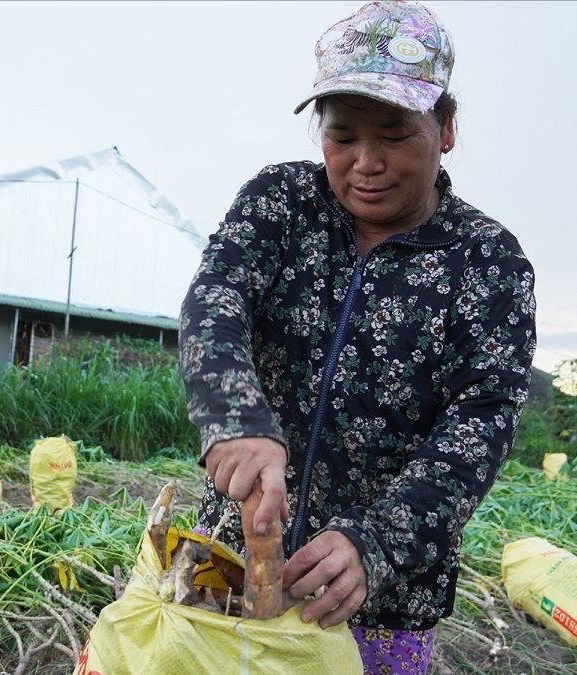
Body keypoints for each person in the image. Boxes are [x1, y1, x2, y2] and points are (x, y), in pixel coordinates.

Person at [179, 1, 536, 672]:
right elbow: (216, 299)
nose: (365, 163)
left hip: (372, 596)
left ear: (446, 129)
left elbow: (481, 419)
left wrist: (379, 544)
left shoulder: (486, 260)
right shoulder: (282, 202)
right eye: (342, 137)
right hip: (231, 556)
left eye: (395, 136)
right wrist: (236, 418)